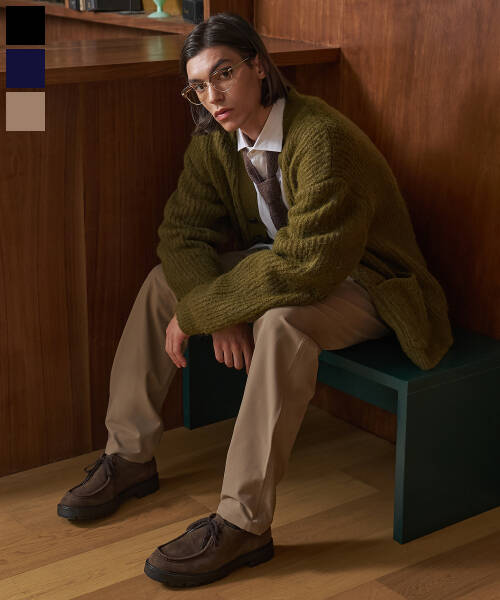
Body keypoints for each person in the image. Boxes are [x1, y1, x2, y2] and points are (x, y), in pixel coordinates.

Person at [57, 12, 453, 588]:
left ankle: (243, 523)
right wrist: (216, 312)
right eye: (198, 85)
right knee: (164, 281)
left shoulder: (321, 139)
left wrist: (207, 310)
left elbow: (310, 267)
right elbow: (181, 234)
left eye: (224, 73)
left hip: (369, 283)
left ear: (259, 67)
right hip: (285, 269)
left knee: (282, 323)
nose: (212, 95)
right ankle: (129, 456)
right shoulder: (217, 141)